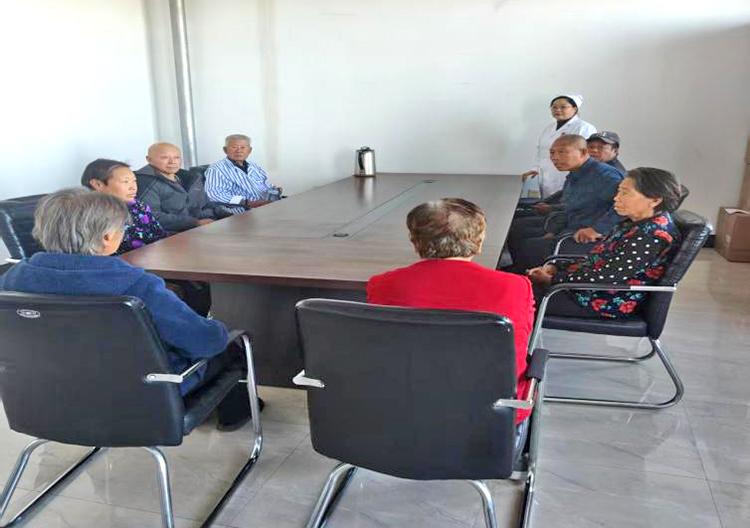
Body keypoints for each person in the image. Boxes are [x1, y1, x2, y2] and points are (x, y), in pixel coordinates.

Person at [0, 189, 253, 429]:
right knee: (229, 343)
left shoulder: (10, 280)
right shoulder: (135, 284)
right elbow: (205, 342)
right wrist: (218, 329)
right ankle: (232, 417)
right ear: (107, 238)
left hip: (47, 397)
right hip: (140, 394)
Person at [367, 198, 535, 425]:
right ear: (479, 241)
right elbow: (521, 342)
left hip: (404, 405)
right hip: (490, 414)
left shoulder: (382, 285)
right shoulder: (515, 287)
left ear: (415, 242)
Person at [527, 167, 682, 319]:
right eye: (619, 191)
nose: (616, 198)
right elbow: (600, 260)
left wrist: (553, 279)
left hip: (600, 301)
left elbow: (606, 276)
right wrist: (557, 267)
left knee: (517, 295)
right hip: (583, 289)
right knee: (519, 286)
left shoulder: (650, 236)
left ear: (654, 200)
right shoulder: (635, 223)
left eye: (625, 193)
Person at [508, 135, 624, 272]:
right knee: (515, 230)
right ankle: (518, 271)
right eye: (552, 153)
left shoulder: (605, 175)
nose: (555, 158)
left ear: (583, 152)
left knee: (530, 246)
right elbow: (570, 207)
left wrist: (598, 229)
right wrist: (553, 229)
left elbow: (624, 208)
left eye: (562, 152)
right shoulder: (576, 173)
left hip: (588, 236)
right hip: (570, 225)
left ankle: (529, 278)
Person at [81, 159, 166, 254]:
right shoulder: (88, 215)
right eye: (125, 181)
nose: (133, 187)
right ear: (98, 184)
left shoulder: (138, 206)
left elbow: (160, 235)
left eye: (134, 181)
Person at [521, 94, 597, 199]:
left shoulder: (584, 128)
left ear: (575, 109)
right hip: (546, 176)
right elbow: (541, 151)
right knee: (547, 204)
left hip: (569, 175)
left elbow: (586, 155)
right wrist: (535, 168)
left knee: (565, 203)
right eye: (554, 107)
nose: (558, 110)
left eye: (563, 107)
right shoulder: (549, 128)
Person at [135, 143, 222, 233]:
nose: (172, 162)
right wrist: (195, 223)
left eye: (177, 157)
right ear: (149, 159)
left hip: (203, 227)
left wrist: (223, 213)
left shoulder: (191, 178)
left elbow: (206, 203)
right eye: (164, 157)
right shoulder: (144, 182)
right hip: (173, 234)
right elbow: (151, 216)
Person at [204, 134, 283, 214]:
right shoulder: (216, 169)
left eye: (243, 147)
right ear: (225, 150)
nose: (239, 151)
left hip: (264, 206)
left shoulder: (254, 166)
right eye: (234, 147)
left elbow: (262, 184)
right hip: (239, 211)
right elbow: (215, 194)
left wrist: (273, 190)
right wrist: (246, 202)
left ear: (249, 150)